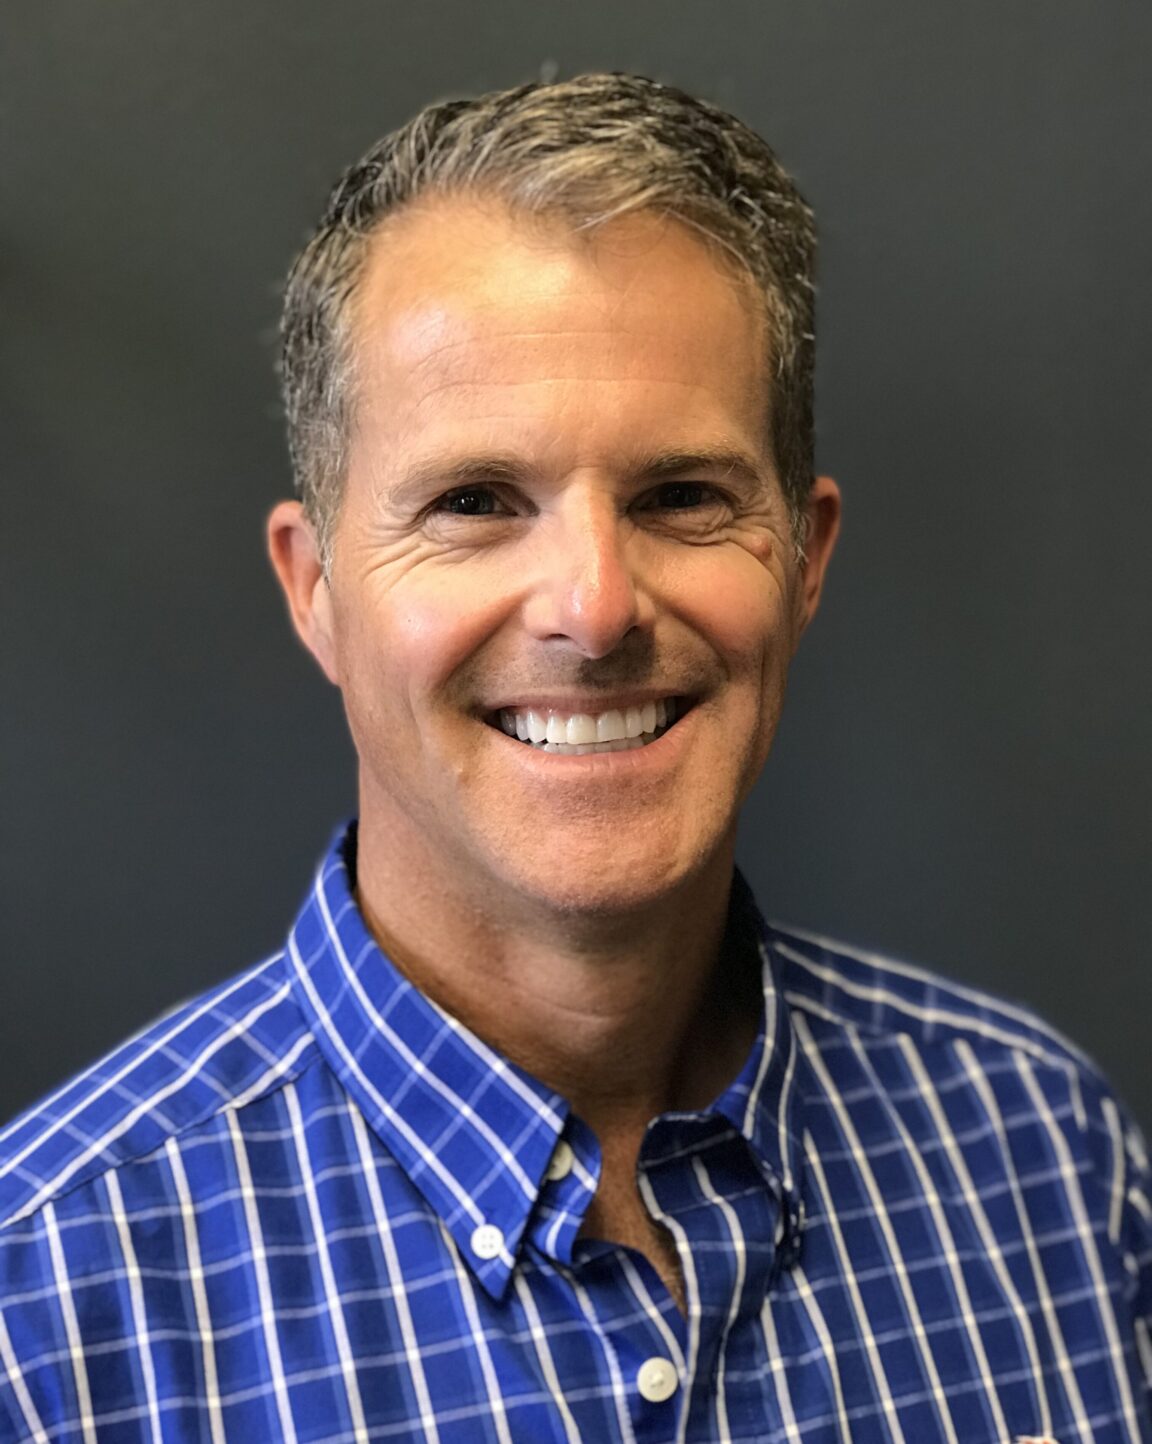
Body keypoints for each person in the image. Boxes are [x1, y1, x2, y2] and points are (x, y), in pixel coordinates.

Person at [0, 72, 1148, 1444]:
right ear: (315, 592)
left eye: (681, 497)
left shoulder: (1051, 1166)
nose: (596, 609)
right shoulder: (49, 1310)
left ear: (806, 561)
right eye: (475, 503)